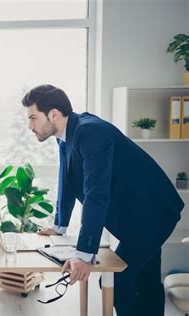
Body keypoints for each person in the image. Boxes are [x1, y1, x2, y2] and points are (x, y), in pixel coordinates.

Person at [22, 84, 184, 315]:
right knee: (145, 280)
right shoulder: (65, 136)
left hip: (153, 213)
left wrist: (85, 255)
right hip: (137, 214)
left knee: (118, 281)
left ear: (54, 114)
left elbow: (96, 194)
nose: (30, 126)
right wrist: (59, 226)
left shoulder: (90, 132)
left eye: (33, 118)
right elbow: (67, 179)